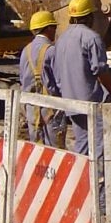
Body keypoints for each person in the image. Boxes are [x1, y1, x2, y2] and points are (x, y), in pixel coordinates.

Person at [52, 0, 111, 155]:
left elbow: (57, 70)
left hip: (69, 101)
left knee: (83, 143)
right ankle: (100, 177)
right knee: (100, 144)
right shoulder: (91, 38)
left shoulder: (61, 39)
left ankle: (80, 175)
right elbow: (100, 69)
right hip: (90, 102)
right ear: (89, 17)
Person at [20, 9, 64, 146]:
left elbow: (22, 79)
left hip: (31, 106)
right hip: (51, 107)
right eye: (54, 27)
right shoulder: (51, 50)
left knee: (37, 148)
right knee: (56, 149)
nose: (55, 31)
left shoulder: (25, 50)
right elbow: (59, 81)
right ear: (49, 28)